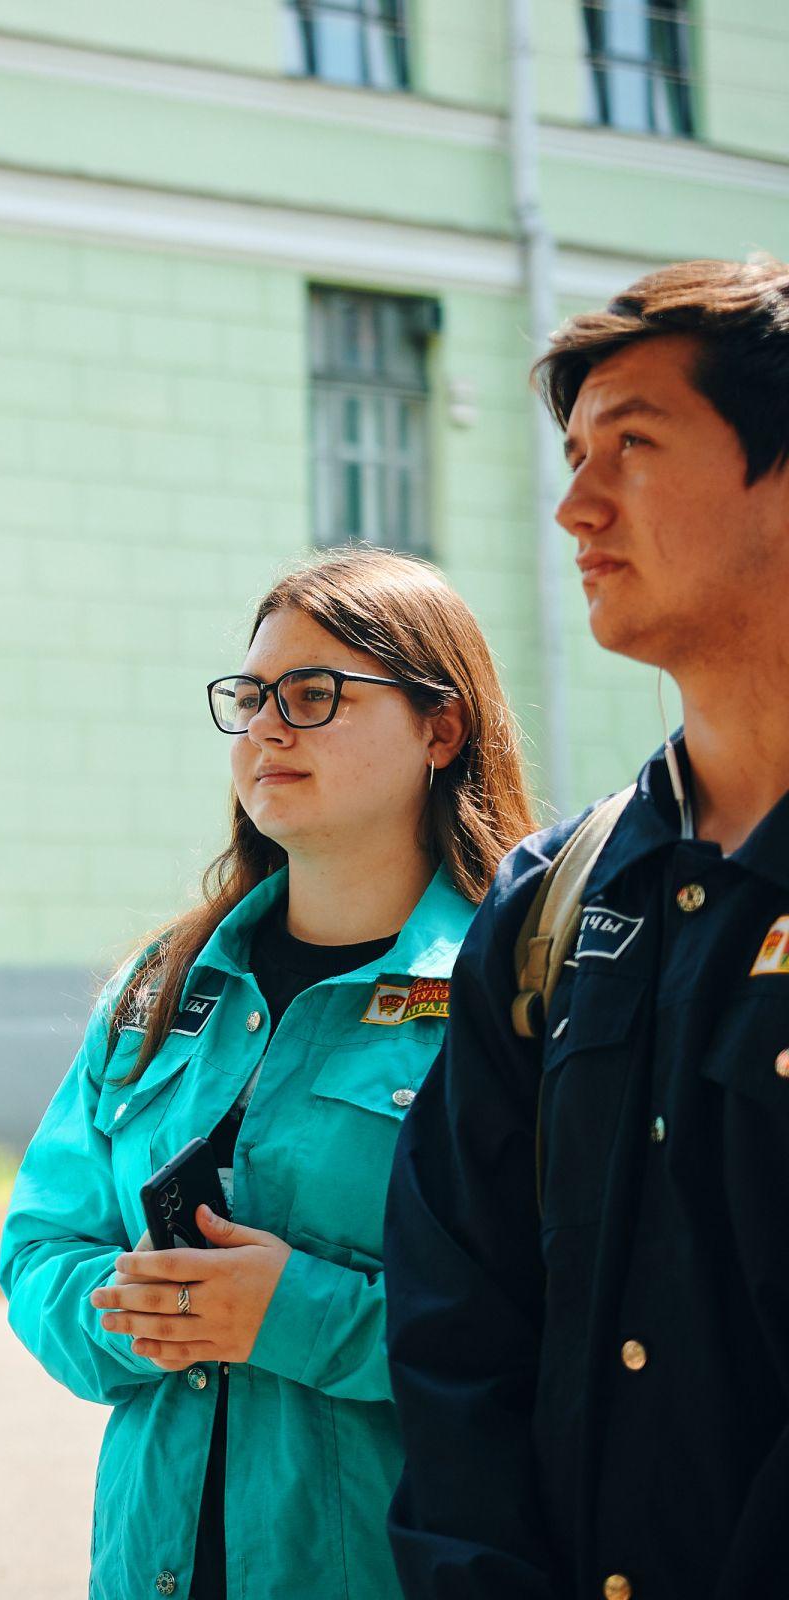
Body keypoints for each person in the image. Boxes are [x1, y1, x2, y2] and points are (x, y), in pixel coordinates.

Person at [0, 547, 536, 1600]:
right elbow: (39, 1244)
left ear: (442, 726)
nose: (266, 729)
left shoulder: (515, 993)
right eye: (249, 698)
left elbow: (559, 1321)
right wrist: (135, 1308)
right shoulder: (161, 984)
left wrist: (292, 1314)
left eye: (314, 694)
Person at [385, 259, 789, 1599]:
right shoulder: (559, 900)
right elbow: (458, 1327)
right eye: (572, 454)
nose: (574, 506)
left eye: (634, 446)